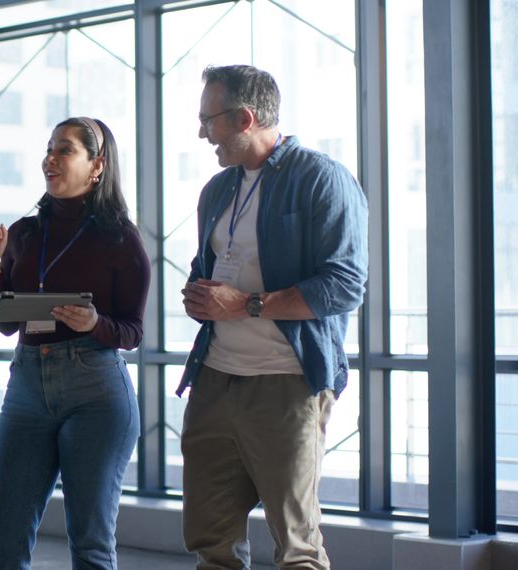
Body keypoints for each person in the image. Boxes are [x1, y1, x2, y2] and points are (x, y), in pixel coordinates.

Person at [177, 64, 368, 570]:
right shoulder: (217, 190)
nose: (202, 133)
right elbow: (209, 268)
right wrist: (200, 295)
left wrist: (246, 305)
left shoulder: (321, 178)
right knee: (210, 542)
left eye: (208, 120)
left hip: (287, 383)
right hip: (215, 380)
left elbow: (345, 284)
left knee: (297, 548)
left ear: (244, 117)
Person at [0, 117, 150, 570]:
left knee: (91, 546)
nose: (49, 159)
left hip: (96, 390)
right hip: (27, 387)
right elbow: (6, 323)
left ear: (97, 166)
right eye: (49, 149)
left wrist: (94, 323)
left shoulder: (121, 239)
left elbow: (132, 331)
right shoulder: (26, 233)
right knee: (3, 547)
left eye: (65, 150)